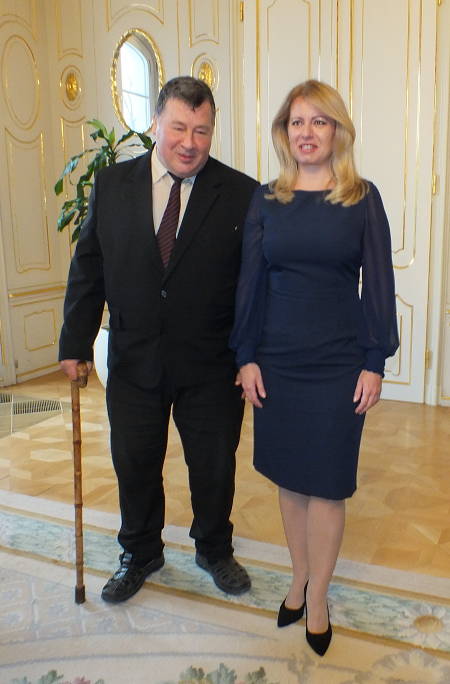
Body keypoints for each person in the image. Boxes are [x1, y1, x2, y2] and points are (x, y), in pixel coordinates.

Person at [59, 76, 259, 603]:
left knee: (214, 466)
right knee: (135, 463)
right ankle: (141, 550)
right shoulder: (112, 185)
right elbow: (88, 268)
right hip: (134, 357)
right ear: (155, 124)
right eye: (179, 128)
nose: (190, 142)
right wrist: (75, 343)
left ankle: (214, 548)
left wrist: (251, 356)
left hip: (211, 364)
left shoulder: (241, 194)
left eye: (202, 130)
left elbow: (253, 286)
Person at [230, 80, 399, 656]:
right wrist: (246, 356)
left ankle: (319, 598)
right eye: (297, 122)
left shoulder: (362, 198)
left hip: (338, 364)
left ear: (337, 132)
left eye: (319, 121)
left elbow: (380, 283)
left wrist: (374, 362)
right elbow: (250, 284)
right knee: (290, 479)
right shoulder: (266, 199)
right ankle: (298, 578)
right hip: (277, 362)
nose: (307, 132)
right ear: (285, 132)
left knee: (327, 484)